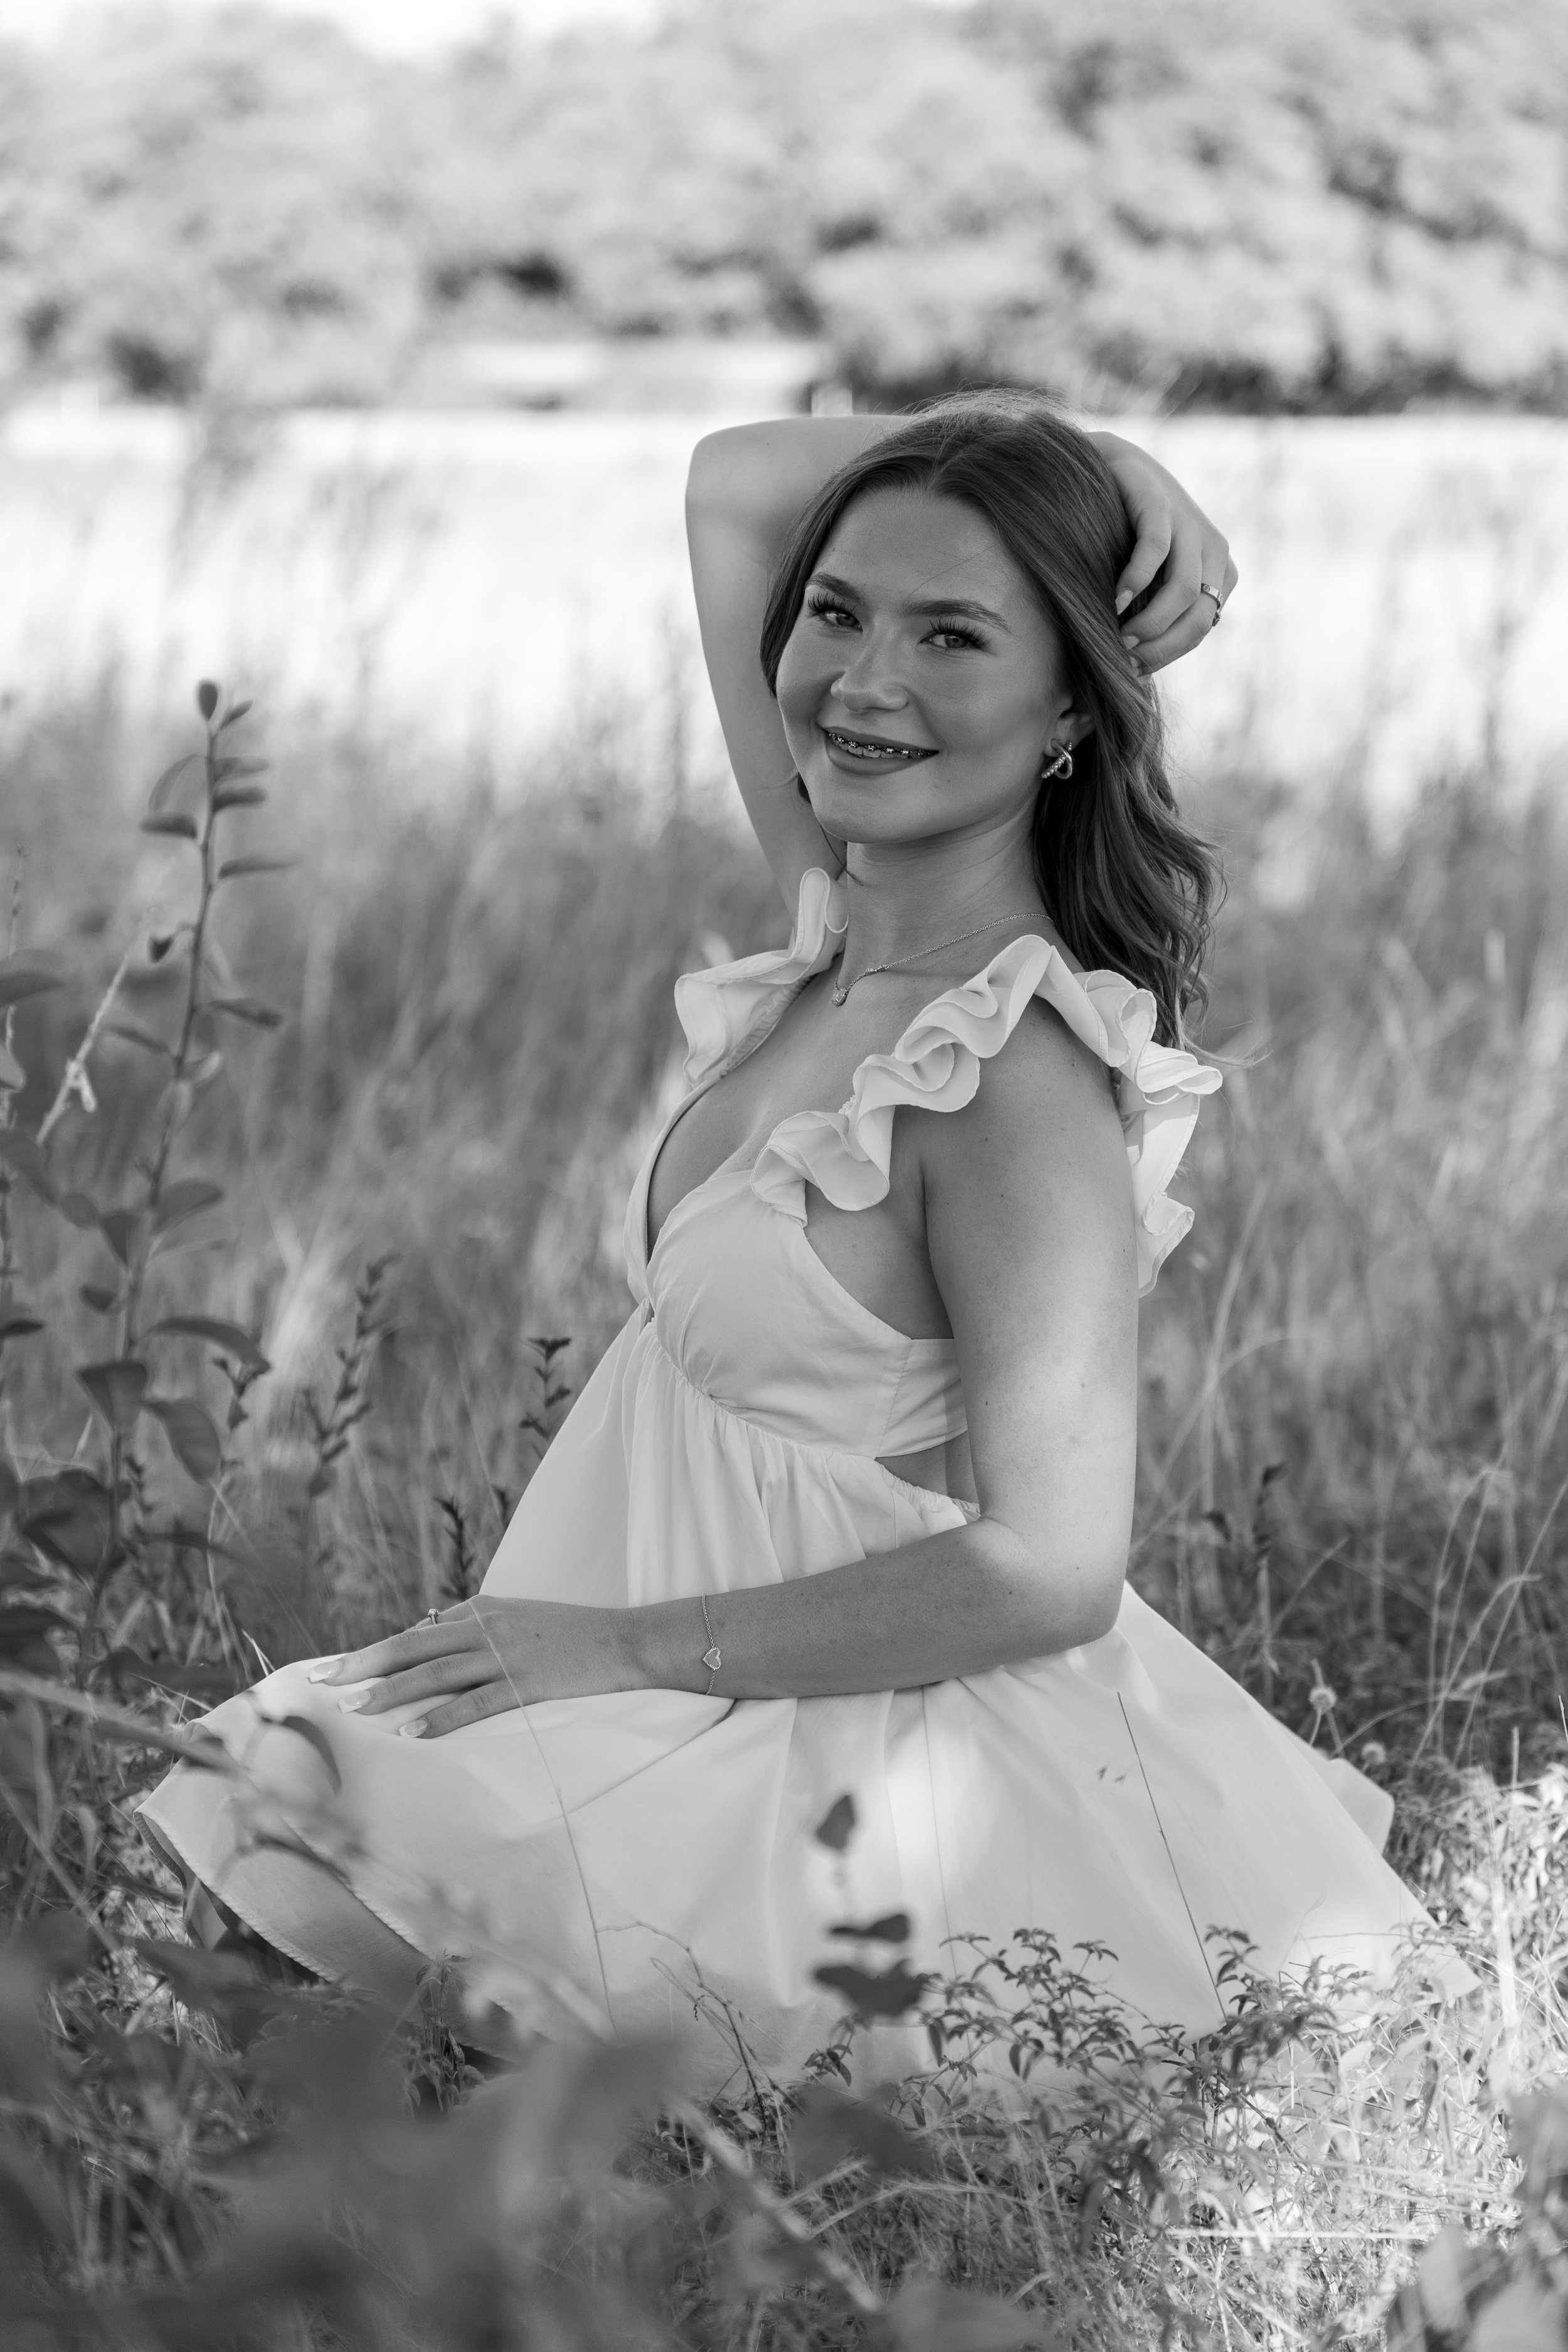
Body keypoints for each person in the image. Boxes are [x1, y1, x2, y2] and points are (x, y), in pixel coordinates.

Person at [140, 395, 1461, 2085]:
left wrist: (605, 1653)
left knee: (286, 1823)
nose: (862, 682)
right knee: (245, 1857)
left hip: (816, 1749)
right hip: (653, 1698)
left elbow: (1050, 1568)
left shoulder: (1007, 1082)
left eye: (954, 636)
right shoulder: (836, 939)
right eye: (838, 613)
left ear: (1068, 711)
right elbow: (733, 478)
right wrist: (1100, 468)